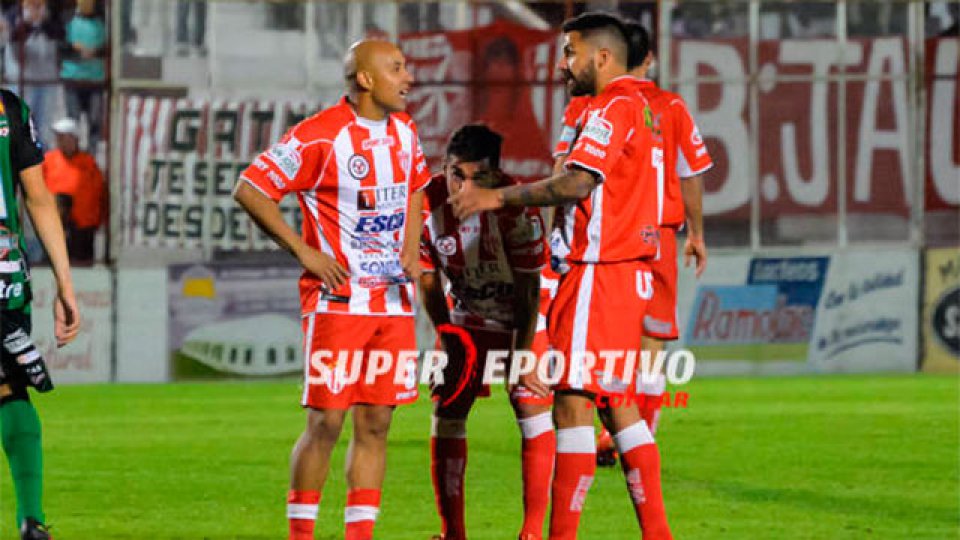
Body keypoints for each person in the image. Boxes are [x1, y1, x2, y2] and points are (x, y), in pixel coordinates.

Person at [449, 12, 673, 539]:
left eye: (571, 52)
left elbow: (576, 184)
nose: (562, 64)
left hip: (599, 272)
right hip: (624, 272)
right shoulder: (643, 107)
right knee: (619, 409)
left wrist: (497, 197)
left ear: (602, 57)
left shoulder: (612, 106)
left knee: (572, 407)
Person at [234, 38, 429, 540]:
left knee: (378, 423)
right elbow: (250, 189)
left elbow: (415, 188)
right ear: (365, 79)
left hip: (393, 303)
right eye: (396, 68)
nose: (408, 78)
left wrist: (411, 247)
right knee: (326, 423)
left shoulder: (405, 131)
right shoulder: (320, 135)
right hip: (339, 302)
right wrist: (304, 252)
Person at [418, 124, 552, 540]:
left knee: (529, 403)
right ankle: (452, 533)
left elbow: (529, 289)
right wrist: (447, 338)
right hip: (467, 314)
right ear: (444, 168)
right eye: (457, 175)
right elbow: (427, 280)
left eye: (478, 177)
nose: (465, 188)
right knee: (447, 408)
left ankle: (532, 532)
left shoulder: (517, 207)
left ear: (496, 174)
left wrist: (522, 356)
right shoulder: (425, 203)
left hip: (523, 315)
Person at [0, 88, 81, 539]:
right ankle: (30, 519)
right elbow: (39, 198)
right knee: (9, 389)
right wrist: (64, 283)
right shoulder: (9, 108)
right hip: (4, 274)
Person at [41, 117, 105, 264]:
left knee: (82, 264)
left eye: (64, 137)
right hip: (55, 227)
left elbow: (99, 192)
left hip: (83, 227)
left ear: (74, 139)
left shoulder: (88, 162)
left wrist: (97, 220)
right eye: (59, 137)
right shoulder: (49, 160)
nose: (61, 141)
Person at [3, 0, 63, 148]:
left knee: (43, 126)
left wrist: (43, 22)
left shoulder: (51, 16)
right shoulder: (12, 15)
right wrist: (27, 24)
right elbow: (10, 37)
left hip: (46, 80)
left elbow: (60, 34)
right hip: (20, 81)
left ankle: (41, 156)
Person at [60, 0, 106, 150]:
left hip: (95, 79)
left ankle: (92, 154)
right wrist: (75, 48)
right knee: (73, 121)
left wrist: (95, 51)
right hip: (73, 79)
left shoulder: (102, 23)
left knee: (95, 120)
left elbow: (108, 48)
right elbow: (60, 46)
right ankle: (73, 153)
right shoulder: (68, 20)